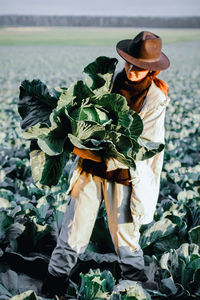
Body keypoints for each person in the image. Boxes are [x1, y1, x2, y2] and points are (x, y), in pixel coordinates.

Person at [42, 31, 170, 297]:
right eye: (130, 63)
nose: (133, 70)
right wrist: (75, 139)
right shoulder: (106, 81)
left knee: (126, 239)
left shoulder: (156, 99)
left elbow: (145, 145)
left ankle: (134, 290)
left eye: (141, 67)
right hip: (88, 172)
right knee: (72, 232)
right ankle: (53, 287)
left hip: (123, 176)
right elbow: (81, 111)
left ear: (151, 69)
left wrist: (91, 152)